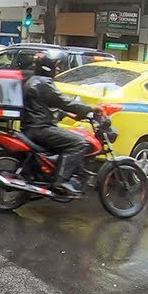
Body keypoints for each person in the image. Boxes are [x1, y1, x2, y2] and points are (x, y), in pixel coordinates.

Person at [21, 53, 100, 194]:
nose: (57, 70)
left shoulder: (34, 80)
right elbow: (63, 101)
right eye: (55, 67)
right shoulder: (44, 83)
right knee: (80, 143)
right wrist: (90, 108)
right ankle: (61, 181)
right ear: (48, 67)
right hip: (41, 128)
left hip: (33, 126)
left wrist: (68, 115)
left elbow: (44, 106)